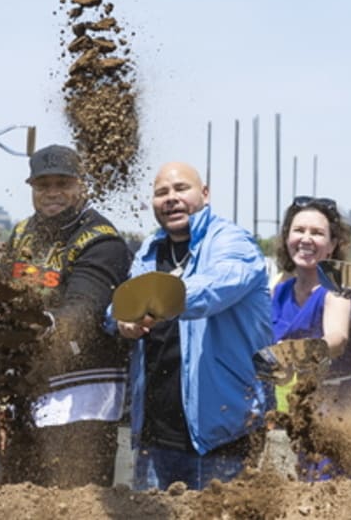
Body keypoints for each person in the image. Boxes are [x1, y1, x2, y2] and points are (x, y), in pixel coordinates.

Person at [112, 161, 273, 491]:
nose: (171, 198)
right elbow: (122, 300)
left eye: (180, 189)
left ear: (205, 193)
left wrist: (155, 299)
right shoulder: (150, 250)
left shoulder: (232, 242)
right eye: (161, 193)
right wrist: (121, 318)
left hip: (223, 434)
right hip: (157, 437)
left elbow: (214, 288)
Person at [0, 144, 132, 487]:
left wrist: (38, 326)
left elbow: (84, 309)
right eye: (43, 185)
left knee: (73, 502)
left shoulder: (102, 240)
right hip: (30, 393)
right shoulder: (22, 233)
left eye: (63, 183)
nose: (53, 193)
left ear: (82, 185)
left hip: (83, 399)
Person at [271, 196, 351, 480]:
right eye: (299, 231)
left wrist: (295, 351)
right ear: (286, 238)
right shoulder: (279, 293)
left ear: (333, 245)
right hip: (309, 414)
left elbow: (337, 339)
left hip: (349, 415)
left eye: (317, 233)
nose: (306, 239)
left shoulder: (337, 289)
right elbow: (280, 371)